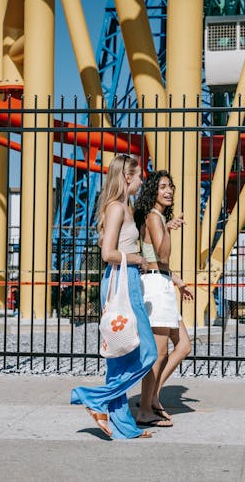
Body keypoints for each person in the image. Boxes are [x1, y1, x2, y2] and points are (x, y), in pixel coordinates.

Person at [70, 154, 157, 439]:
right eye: (139, 174)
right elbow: (107, 253)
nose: (142, 180)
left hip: (125, 279)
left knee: (120, 359)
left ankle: (122, 427)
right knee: (148, 353)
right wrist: (136, 259)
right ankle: (93, 396)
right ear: (126, 176)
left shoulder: (126, 208)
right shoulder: (117, 208)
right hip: (122, 280)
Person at [134, 170, 193, 426]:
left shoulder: (156, 219)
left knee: (183, 346)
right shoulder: (153, 217)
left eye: (170, 187)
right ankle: (145, 409)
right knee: (158, 353)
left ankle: (153, 396)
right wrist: (166, 229)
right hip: (157, 288)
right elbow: (164, 255)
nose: (169, 191)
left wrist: (177, 281)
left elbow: (156, 260)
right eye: (163, 187)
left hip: (163, 282)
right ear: (152, 192)